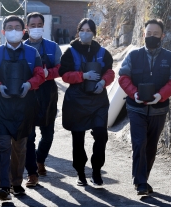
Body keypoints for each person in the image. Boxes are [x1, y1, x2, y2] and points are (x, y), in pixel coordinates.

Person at [0, 15, 45, 200]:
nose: (14, 30)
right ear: (4, 31)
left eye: (17, 27)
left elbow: (40, 75)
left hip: (24, 107)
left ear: (24, 31)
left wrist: (29, 85)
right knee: (3, 147)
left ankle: (16, 183)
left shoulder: (33, 53)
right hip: (1, 106)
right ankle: (3, 186)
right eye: (10, 27)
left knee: (20, 147)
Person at [118, 19, 171, 195]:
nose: (151, 36)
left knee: (151, 146)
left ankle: (143, 178)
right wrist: (134, 93)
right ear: (143, 34)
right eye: (148, 34)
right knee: (139, 143)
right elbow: (123, 77)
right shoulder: (133, 56)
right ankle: (140, 183)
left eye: (155, 34)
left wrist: (160, 95)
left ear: (163, 36)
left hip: (159, 109)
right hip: (136, 108)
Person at [59, 18, 114, 186]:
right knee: (78, 138)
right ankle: (80, 172)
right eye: (82, 29)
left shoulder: (103, 52)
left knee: (101, 135)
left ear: (94, 33)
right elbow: (64, 75)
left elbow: (110, 72)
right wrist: (82, 76)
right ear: (78, 32)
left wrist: (103, 82)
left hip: (98, 100)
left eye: (89, 30)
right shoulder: (70, 52)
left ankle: (96, 171)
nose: (85, 33)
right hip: (77, 100)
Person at [23, 12, 62, 187]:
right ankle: (32, 173)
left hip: (48, 94)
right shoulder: (21, 48)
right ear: (27, 27)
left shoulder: (53, 47)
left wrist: (49, 74)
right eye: (32, 25)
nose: (36, 28)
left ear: (43, 26)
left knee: (48, 135)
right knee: (28, 136)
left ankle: (40, 160)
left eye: (39, 24)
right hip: (28, 94)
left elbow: (62, 68)